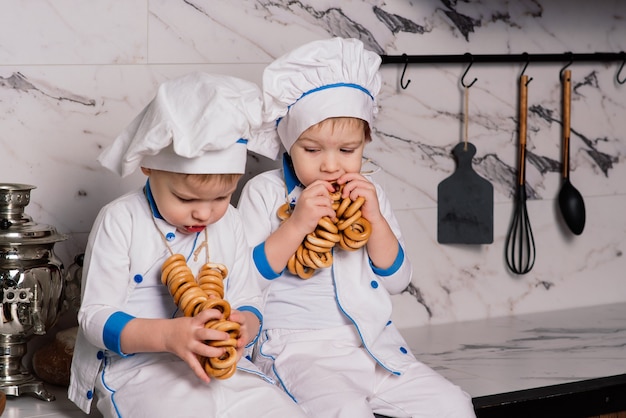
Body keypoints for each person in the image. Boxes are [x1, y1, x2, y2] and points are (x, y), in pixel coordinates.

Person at [237, 38, 476, 417]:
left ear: (365, 142)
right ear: (288, 144)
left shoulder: (370, 194)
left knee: (453, 406)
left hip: (370, 345)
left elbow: (397, 280)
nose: (331, 166)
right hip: (296, 350)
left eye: (347, 151)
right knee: (347, 413)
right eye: (312, 151)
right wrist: (297, 223)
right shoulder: (264, 193)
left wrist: (376, 220)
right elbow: (243, 279)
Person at [68, 72, 309, 418]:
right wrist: (168, 336)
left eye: (222, 197)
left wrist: (244, 325)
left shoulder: (232, 222)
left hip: (224, 369)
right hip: (137, 370)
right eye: (185, 198)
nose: (204, 212)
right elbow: (94, 318)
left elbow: (248, 298)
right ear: (150, 166)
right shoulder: (121, 219)